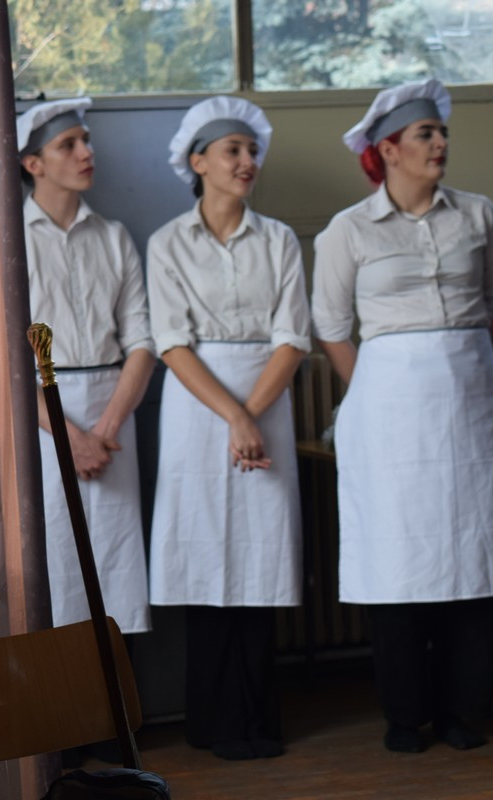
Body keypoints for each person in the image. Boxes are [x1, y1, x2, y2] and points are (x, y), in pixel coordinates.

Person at [312, 78, 493, 754]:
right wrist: (375, 386)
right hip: (387, 416)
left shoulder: (478, 215)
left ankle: (466, 711)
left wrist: (459, 363)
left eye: (442, 133)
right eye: (425, 133)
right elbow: (330, 326)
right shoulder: (348, 229)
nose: (440, 143)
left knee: (474, 552)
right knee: (397, 558)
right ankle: (405, 715)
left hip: (470, 406)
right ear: (388, 149)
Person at [146, 96, 310, 760]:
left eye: (251, 150)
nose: (247, 161)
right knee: (203, 550)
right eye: (232, 150)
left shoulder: (279, 240)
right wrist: (236, 415)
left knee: (261, 554)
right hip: (198, 408)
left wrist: (254, 412)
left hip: (269, 395)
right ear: (198, 163)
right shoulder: (167, 243)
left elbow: (292, 337)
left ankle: (259, 721)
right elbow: (171, 342)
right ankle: (211, 722)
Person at [17, 98, 155, 636]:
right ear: (34, 164)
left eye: (86, 141)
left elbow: (141, 342)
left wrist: (107, 429)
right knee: (57, 560)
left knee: (116, 565)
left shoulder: (114, 236)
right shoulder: (11, 241)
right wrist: (72, 439)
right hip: (43, 421)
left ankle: (121, 689)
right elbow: (7, 361)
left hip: (113, 413)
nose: (85, 152)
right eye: (68, 145)